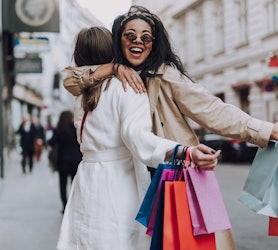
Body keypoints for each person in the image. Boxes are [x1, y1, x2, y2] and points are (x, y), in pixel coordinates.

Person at [62, 5, 278, 250]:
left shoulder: (165, 76)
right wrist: (113, 67)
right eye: (130, 36)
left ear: (154, 43)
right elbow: (71, 79)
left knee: (192, 243)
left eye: (146, 37)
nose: (138, 42)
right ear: (118, 40)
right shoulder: (107, 79)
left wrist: (266, 129)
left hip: (174, 173)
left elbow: (213, 110)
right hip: (136, 178)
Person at [57, 26, 220, 250]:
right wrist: (184, 150)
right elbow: (137, 137)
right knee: (119, 240)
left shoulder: (80, 98)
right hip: (118, 182)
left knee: (86, 240)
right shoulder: (126, 87)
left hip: (86, 179)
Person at [48, 110, 82, 213]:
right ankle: (73, 205)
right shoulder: (76, 128)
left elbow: (51, 142)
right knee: (74, 184)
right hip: (76, 161)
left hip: (63, 162)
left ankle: (65, 206)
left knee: (62, 185)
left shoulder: (59, 129)